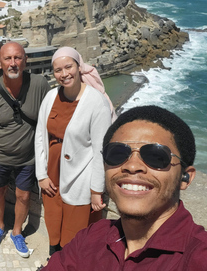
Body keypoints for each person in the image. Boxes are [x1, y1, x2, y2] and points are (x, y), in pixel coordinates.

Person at [44, 105, 207, 270]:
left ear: (185, 178)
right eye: (117, 153)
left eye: (156, 156)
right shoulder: (92, 236)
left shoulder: (198, 257)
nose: (132, 165)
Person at [35, 46, 112, 264]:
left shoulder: (96, 101)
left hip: (80, 174)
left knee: (74, 225)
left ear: (79, 67)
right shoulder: (50, 96)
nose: (64, 74)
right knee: (53, 217)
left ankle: (68, 264)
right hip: (52, 170)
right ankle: (54, 260)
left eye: (68, 67)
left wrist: (97, 190)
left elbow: (101, 149)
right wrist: (41, 174)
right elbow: (40, 136)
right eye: (58, 70)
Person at [0, 41, 50, 257]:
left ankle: (17, 232)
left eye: (17, 58)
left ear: (25, 60)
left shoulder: (39, 84)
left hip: (28, 158)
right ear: (0, 63)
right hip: (0, 157)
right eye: (8, 59)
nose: (13, 63)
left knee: (23, 196)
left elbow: (53, 115)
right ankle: (0, 226)